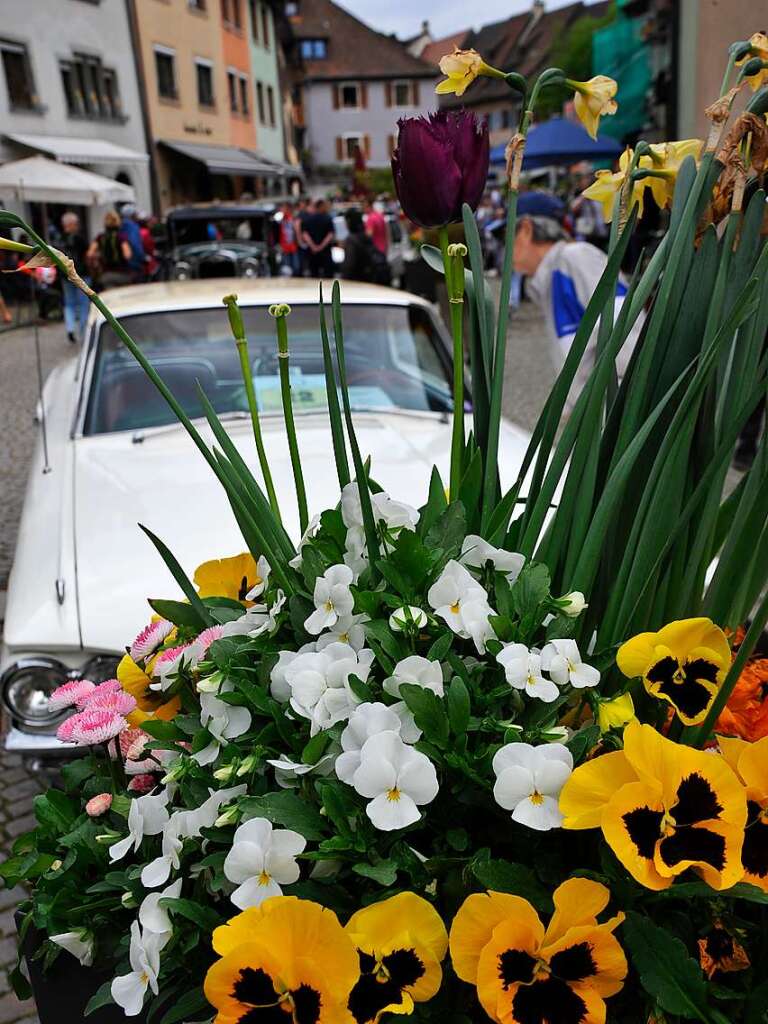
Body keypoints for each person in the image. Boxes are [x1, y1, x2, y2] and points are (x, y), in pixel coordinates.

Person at [513, 191, 643, 410]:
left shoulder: (576, 258)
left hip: (611, 420)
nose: (503, 247)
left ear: (526, 229)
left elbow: (629, 338)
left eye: (505, 235)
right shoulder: (551, 275)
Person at [59, 211, 90, 342]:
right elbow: (88, 254)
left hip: (64, 274)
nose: (77, 226)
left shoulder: (58, 239)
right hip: (80, 274)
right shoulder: (80, 238)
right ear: (71, 224)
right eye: (76, 224)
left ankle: (70, 328)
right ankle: (83, 332)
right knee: (83, 303)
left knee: (69, 303)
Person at [341, 209, 390, 284]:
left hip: (358, 283)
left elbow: (349, 266)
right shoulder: (366, 236)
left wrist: (343, 282)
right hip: (371, 280)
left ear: (348, 221)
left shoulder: (351, 240)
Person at [87, 210, 133, 290]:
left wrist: (100, 256)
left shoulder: (100, 237)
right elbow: (127, 255)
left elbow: (90, 254)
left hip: (106, 274)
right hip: (122, 273)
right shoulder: (121, 237)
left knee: (112, 299)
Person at [300, 198, 335, 278]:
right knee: (328, 275)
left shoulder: (307, 219)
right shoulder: (327, 218)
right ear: (321, 206)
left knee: (314, 274)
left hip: (312, 252)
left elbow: (305, 234)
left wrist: (313, 246)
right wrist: (321, 247)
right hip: (325, 251)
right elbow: (330, 235)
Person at [118, 202, 146, 281]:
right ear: (132, 215)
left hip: (124, 265)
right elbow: (135, 243)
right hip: (135, 264)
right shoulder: (133, 226)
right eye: (135, 213)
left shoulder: (121, 226)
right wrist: (142, 257)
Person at [278, 203, 300, 275]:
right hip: (284, 246)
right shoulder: (280, 219)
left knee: (296, 266)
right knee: (287, 267)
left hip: (293, 245)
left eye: (284, 209)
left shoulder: (293, 218)